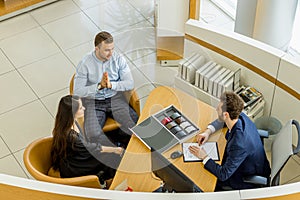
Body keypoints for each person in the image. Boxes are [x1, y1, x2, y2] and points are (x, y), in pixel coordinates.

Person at [189, 91, 271, 190]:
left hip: (243, 175)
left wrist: (204, 157)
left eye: (218, 108)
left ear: (226, 114)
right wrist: (208, 132)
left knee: (202, 180)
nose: (216, 109)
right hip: (252, 162)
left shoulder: (239, 144)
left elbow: (224, 174)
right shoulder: (240, 116)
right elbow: (223, 121)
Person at [73, 31, 138, 146]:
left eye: (112, 49)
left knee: (136, 124)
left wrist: (111, 85)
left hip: (115, 98)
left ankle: (121, 143)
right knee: (92, 134)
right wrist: (99, 86)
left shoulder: (118, 59)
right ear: (97, 49)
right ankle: (112, 150)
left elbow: (129, 83)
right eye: (107, 50)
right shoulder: (85, 63)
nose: (111, 53)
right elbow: (77, 91)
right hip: (94, 102)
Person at [51, 95, 124, 188]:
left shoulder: (66, 123)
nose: (84, 109)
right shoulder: (72, 137)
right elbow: (95, 149)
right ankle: (104, 180)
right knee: (111, 158)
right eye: (81, 108)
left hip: (75, 156)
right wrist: (115, 150)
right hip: (75, 167)